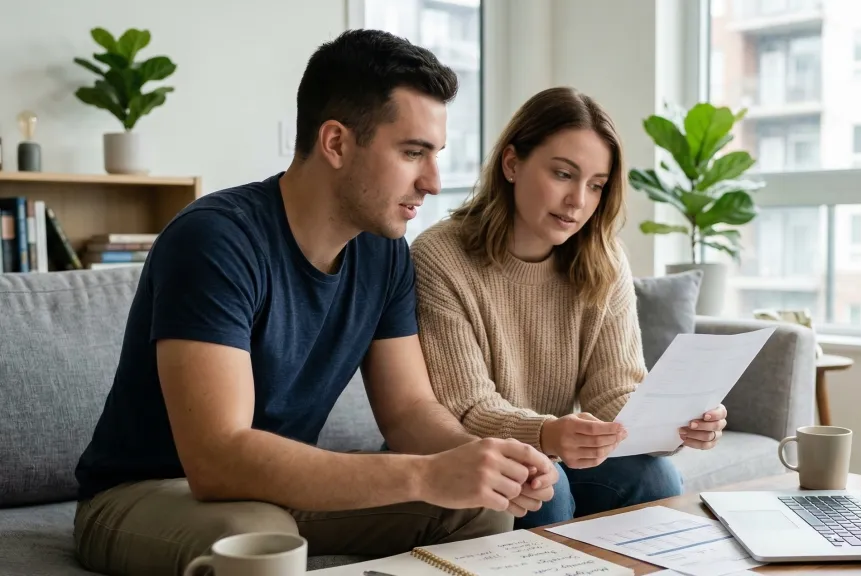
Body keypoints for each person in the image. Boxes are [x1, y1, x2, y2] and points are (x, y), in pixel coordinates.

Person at [72, 29, 558, 575]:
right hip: (150, 492)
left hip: (279, 490)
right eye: (412, 153)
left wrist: (475, 460)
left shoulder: (386, 252)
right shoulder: (215, 240)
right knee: (255, 538)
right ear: (335, 142)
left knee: (476, 509)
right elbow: (217, 458)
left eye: (436, 155)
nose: (433, 182)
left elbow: (409, 412)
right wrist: (422, 476)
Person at [410, 86, 729, 529]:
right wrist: (546, 434)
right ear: (512, 164)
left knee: (655, 477)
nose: (579, 201)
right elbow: (465, 406)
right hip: (475, 457)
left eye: (596, 185)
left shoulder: (604, 257)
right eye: (563, 174)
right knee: (548, 489)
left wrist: (673, 421)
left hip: (552, 451)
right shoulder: (439, 257)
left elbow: (614, 390)